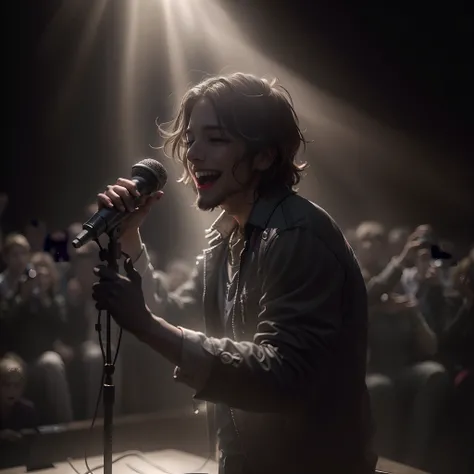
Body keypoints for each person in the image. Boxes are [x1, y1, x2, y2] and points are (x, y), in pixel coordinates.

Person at [92, 73, 376, 474]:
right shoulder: (224, 238)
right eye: (191, 139)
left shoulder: (297, 236)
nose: (193, 154)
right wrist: (131, 235)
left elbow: (283, 376)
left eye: (216, 139)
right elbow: (179, 321)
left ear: (264, 155)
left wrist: (147, 326)